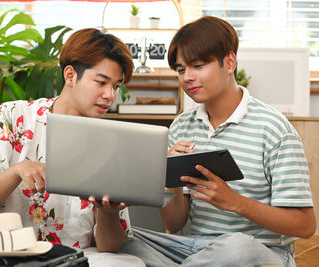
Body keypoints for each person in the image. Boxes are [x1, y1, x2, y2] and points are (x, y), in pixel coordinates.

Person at [120, 16, 316, 267]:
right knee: (126, 241)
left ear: (230, 62)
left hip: (261, 250)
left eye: (198, 66)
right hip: (196, 249)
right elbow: (173, 224)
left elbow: (305, 225)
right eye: (181, 70)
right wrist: (172, 178)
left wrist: (236, 203)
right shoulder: (182, 126)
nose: (187, 77)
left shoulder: (274, 129)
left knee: (237, 246)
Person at [0, 28, 135, 253]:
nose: (110, 95)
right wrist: (17, 171)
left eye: (116, 86)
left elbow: (110, 247)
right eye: (101, 83)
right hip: (3, 254)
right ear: (71, 75)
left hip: (70, 259)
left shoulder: (109, 146)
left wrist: (109, 212)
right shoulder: (12, 116)